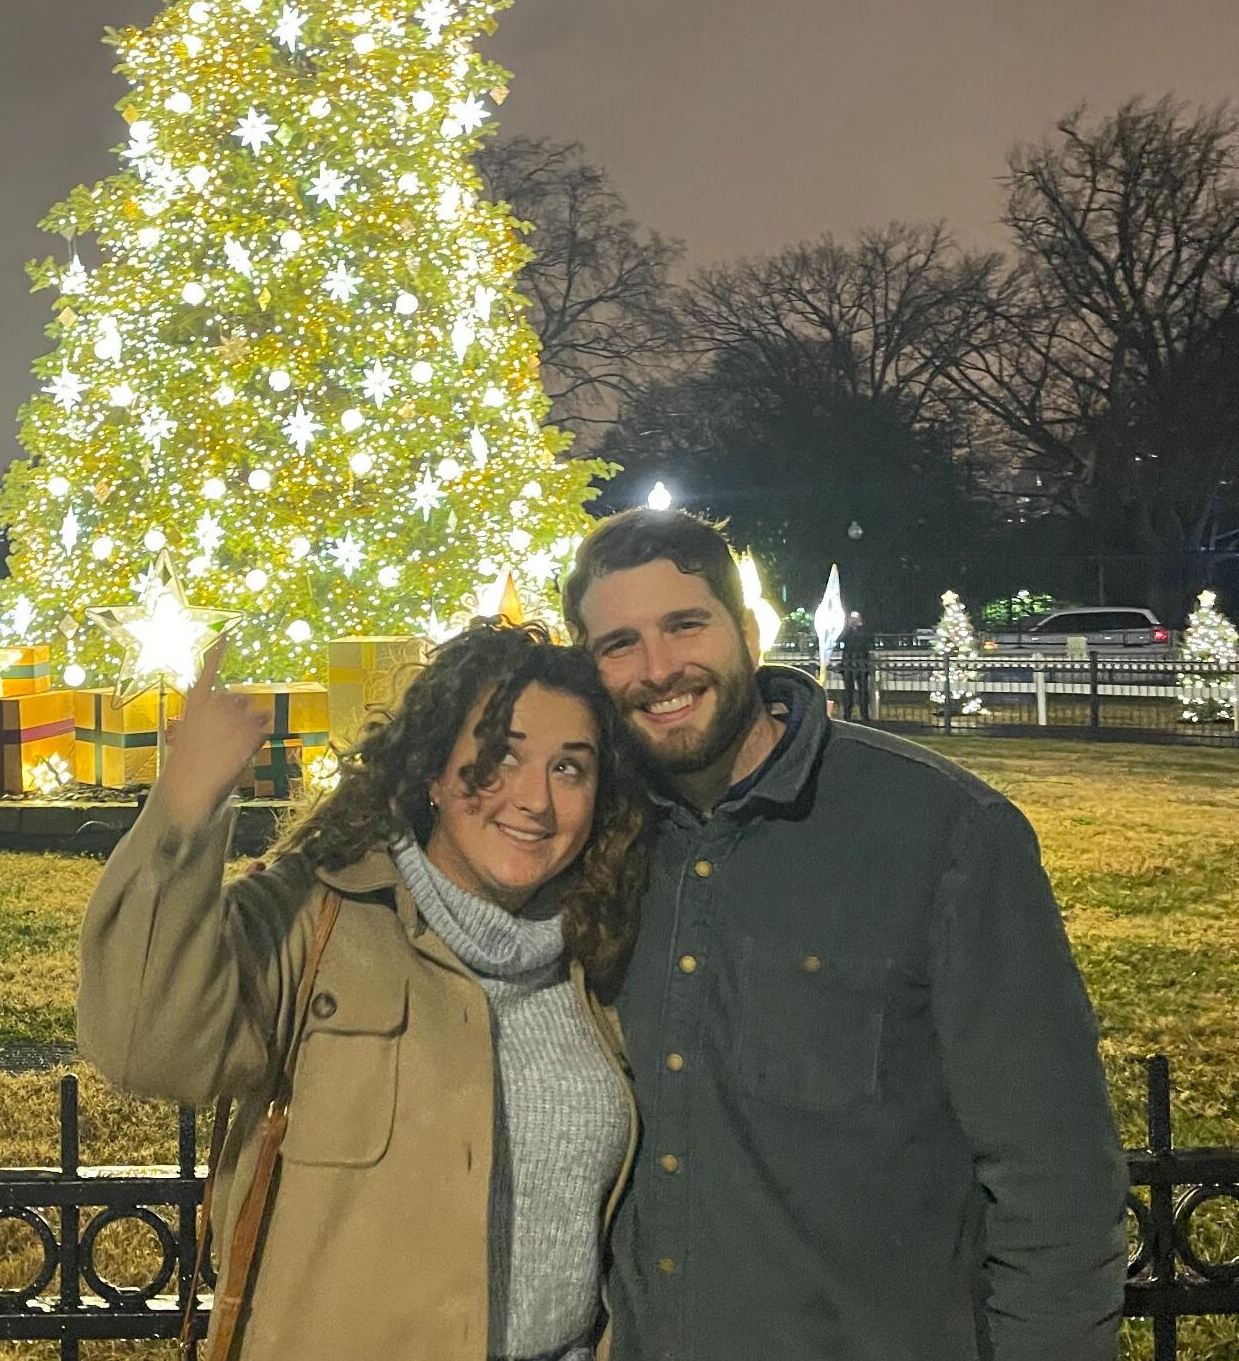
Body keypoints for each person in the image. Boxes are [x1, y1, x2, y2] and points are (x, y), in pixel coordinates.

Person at [564, 508, 1128, 1361]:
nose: (657, 668)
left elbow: (1055, 1178)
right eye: (618, 644)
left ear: (749, 630)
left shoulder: (942, 835)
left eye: (685, 624)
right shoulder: (593, 839)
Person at [78, 620, 652, 1361]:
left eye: (569, 768)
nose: (535, 800)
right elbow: (143, 1045)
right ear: (433, 772)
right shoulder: (315, 916)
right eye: (500, 756)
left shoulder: (601, 954)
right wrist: (182, 812)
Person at [839, 608, 875, 721]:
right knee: (848, 691)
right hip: (848, 664)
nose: (854, 621)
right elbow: (841, 639)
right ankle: (847, 715)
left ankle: (864, 715)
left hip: (861, 664)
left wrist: (858, 628)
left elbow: (868, 641)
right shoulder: (846, 631)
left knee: (863, 691)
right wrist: (848, 628)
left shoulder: (864, 630)